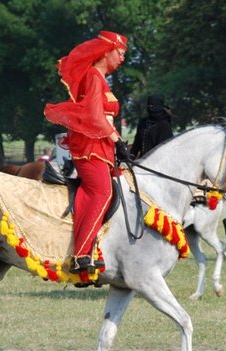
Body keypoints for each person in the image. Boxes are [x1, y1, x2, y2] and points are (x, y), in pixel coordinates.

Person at [44, 30, 130, 274]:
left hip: (103, 145)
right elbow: (94, 116)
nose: (123, 59)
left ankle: (96, 249)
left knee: (113, 192)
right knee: (101, 192)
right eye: (120, 53)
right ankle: (81, 254)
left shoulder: (102, 80)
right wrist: (117, 140)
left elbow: (105, 118)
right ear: (107, 51)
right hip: (91, 147)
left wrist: (118, 143)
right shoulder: (93, 77)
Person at [130, 94, 173, 159]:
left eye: (153, 106)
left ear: (159, 106)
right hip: (142, 162)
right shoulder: (143, 123)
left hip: (158, 163)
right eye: (149, 105)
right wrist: (131, 157)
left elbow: (165, 149)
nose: (150, 108)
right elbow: (137, 144)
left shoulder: (164, 125)